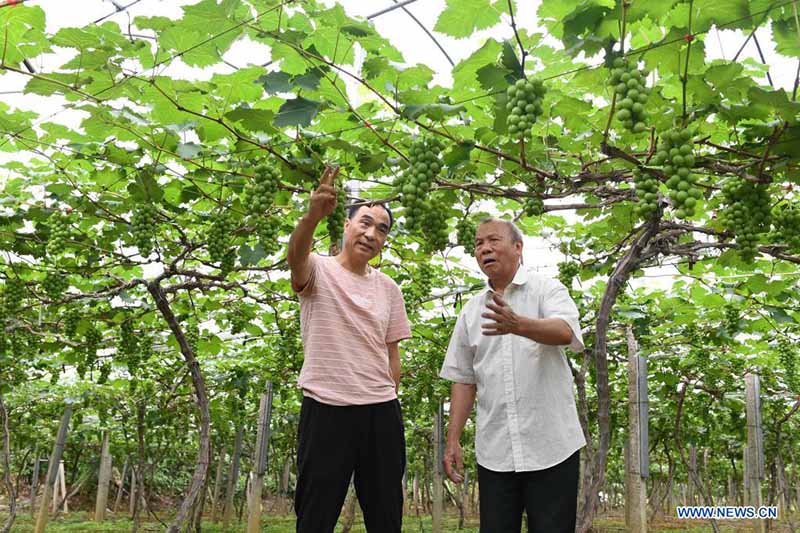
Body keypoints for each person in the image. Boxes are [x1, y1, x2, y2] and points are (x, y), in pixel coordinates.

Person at [439, 217, 585, 533]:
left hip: (551, 446)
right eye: (478, 244)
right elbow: (464, 378)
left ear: (518, 247)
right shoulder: (471, 311)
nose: (485, 249)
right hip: (496, 453)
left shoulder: (547, 289)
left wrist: (519, 325)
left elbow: (567, 331)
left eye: (493, 240)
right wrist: (452, 440)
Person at [286, 165, 411, 533]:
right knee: (315, 514)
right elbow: (295, 257)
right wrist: (311, 216)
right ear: (346, 225)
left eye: (382, 229)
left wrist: (388, 395)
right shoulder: (317, 270)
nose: (372, 234)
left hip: (380, 412)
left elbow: (392, 354)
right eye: (366, 223)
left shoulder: (389, 288)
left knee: (386, 513)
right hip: (327, 409)